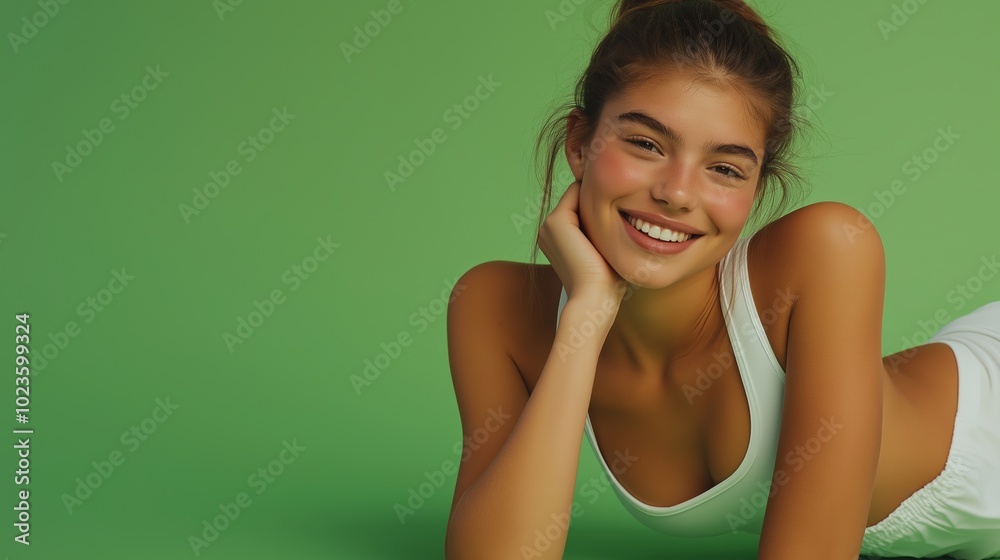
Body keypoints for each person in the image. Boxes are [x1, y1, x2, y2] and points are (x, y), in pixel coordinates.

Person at [443, 1, 1000, 558]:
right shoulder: (494, 309)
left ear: (756, 190)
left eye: (725, 169)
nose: (677, 193)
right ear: (579, 143)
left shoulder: (826, 248)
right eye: (645, 144)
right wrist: (584, 317)